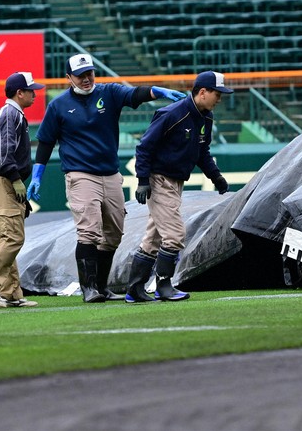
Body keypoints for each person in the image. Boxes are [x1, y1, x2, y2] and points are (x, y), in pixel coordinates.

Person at [26, 53, 186, 304]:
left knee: (113, 233)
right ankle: (89, 288)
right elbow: (46, 142)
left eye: (89, 73)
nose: (86, 78)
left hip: (110, 173)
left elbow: (134, 95)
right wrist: (37, 175)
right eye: (80, 75)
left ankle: (102, 286)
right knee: (89, 230)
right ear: (69, 78)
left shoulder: (109, 92)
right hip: (80, 174)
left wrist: (158, 91)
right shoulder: (58, 105)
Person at [128, 70, 232, 303]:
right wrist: (143, 180)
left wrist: (216, 177)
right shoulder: (172, 114)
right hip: (159, 179)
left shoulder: (206, 117)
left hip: (176, 182)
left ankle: (134, 289)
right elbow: (144, 147)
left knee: (153, 238)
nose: (219, 99)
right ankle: (164, 286)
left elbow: (202, 152)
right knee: (175, 234)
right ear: (202, 92)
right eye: (217, 94)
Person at [0, 71, 45, 309]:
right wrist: (15, 179)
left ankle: (10, 292)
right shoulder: (9, 113)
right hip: (3, 180)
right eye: (31, 90)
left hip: (4, 181)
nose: (35, 94)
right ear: (19, 93)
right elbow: (3, 152)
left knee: (8, 237)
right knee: (13, 236)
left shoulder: (14, 113)